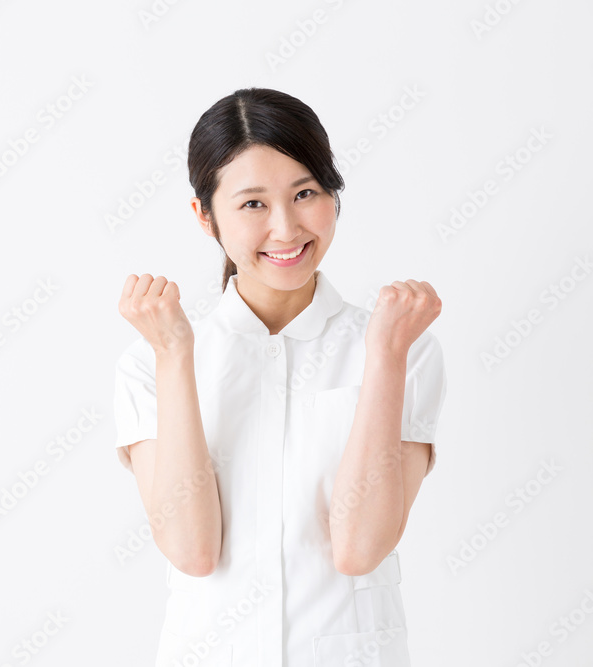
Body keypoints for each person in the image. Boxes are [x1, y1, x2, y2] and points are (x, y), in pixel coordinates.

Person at [112, 88, 448, 667]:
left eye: (305, 193)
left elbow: (359, 548)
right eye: (252, 204)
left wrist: (385, 360)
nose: (287, 228)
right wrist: (174, 355)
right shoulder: (149, 362)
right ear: (204, 214)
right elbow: (192, 550)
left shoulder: (403, 347)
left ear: (334, 197)